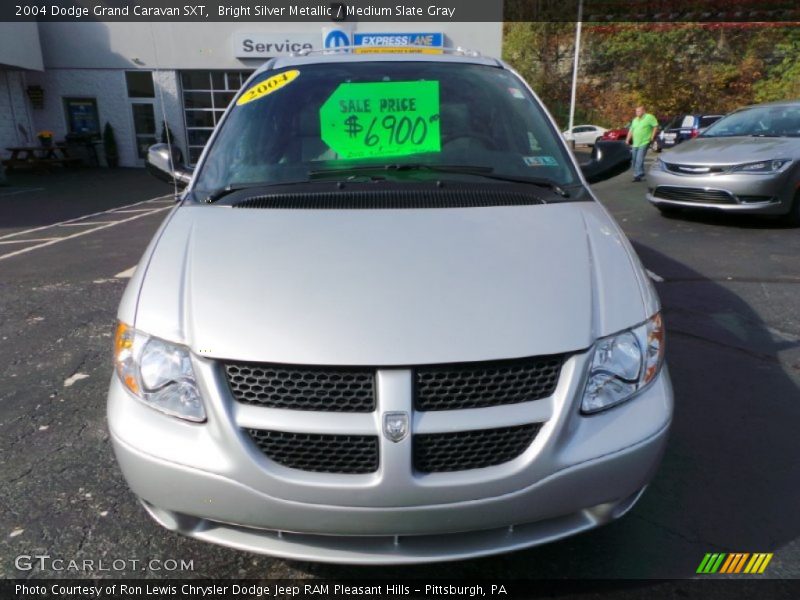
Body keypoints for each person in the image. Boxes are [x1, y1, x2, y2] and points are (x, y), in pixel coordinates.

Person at [625, 105, 659, 182]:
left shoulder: (649, 117)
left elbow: (655, 126)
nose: (637, 113)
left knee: (639, 159)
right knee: (634, 159)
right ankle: (641, 173)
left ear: (643, 111)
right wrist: (627, 139)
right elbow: (631, 130)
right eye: (636, 111)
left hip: (644, 141)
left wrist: (652, 137)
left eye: (639, 111)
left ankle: (637, 176)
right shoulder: (635, 120)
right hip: (635, 143)